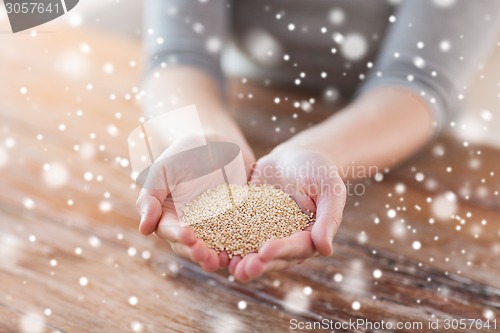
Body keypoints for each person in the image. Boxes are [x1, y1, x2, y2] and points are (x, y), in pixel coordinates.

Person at [135, 0, 500, 282]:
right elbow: (178, 56)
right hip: (248, 98)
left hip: (397, 130)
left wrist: (318, 152)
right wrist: (203, 138)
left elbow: (419, 80)